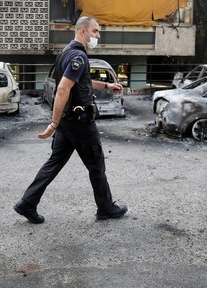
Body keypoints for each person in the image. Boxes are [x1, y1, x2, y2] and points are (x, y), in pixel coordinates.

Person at [14, 16, 128, 224]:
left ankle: (27, 203)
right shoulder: (79, 56)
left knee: (54, 162)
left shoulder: (67, 52)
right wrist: (53, 123)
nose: (98, 36)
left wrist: (106, 86)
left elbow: (80, 81)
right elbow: (63, 88)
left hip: (68, 122)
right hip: (79, 121)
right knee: (96, 165)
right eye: (95, 31)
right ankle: (105, 208)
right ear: (82, 31)